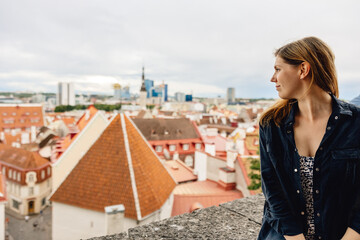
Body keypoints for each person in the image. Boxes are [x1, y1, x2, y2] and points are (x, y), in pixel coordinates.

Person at [257, 36, 360, 240]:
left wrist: (353, 235)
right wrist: (295, 237)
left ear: (303, 70)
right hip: (285, 236)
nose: (272, 78)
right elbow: (272, 188)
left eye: (278, 69)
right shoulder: (271, 124)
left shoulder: (355, 123)